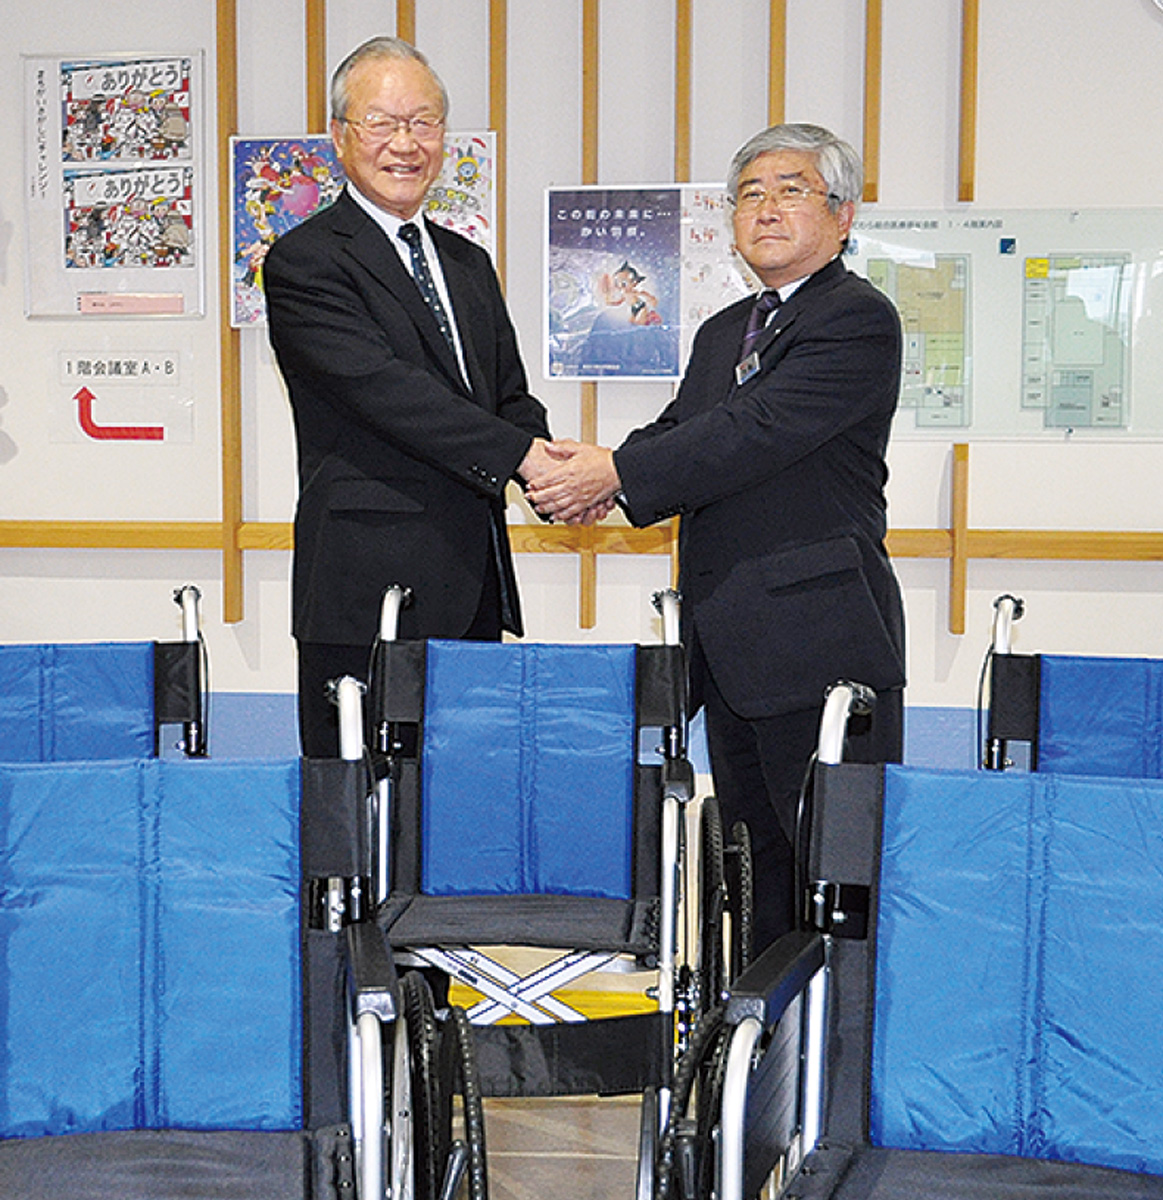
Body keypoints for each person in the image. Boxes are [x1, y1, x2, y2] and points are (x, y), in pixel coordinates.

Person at [528, 123, 906, 954]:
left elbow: (753, 431)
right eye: (748, 194)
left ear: (842, 216)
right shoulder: (724, 329)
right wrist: (576, 475)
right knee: (753, 871)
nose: (765, 208)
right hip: (727, 644)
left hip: (819, 651)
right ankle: (759, 1057)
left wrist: (612, 474)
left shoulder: (856, 319)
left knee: (831, 877)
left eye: (790, 189)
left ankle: (832, 1066)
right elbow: (679, 434)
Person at [264, 37, 556, 756]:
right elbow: (389, 395)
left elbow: (506, 395)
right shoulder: (305, 260)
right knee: (355, 820)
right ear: (340, 137)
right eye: (383, 123)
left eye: (423, 123)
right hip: (363, 594)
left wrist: (553, 467)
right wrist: (526, 458)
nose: (406, 143)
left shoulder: (466, 261)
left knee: (456, 812)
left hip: (471, 585)